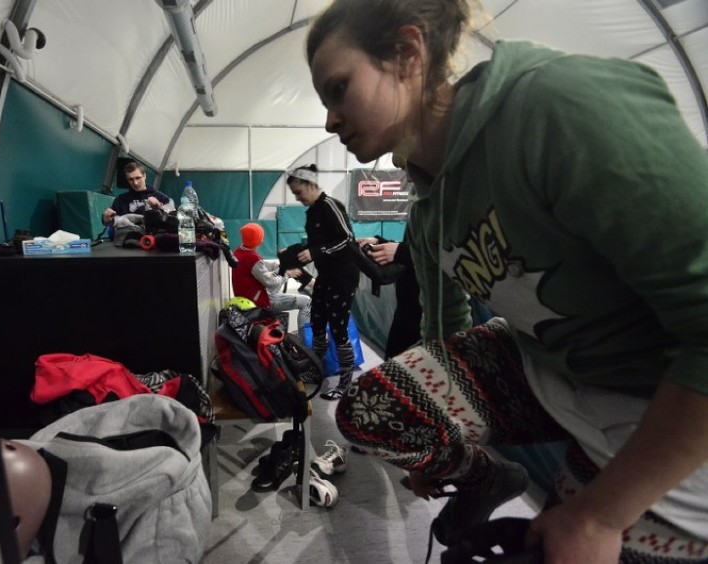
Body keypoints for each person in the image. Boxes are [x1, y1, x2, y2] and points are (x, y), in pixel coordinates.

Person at [306, 1, 708, 563]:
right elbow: (445, 328)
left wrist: (601, 513)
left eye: (339, 89)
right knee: (372, 411)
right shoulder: (430, 209)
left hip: (668, 402)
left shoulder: (561, 106)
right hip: (555, 369)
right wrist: (450, 453)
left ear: (406, 54)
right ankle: (490, 482)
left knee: (570, 541)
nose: (330, 120)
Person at [287, 164, 360, 401]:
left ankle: (346, 383)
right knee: (317, 324)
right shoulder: (313, 212)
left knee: (339, 331)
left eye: (299, 192)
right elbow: (320, 244)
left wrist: (315, 252)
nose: (298, 198)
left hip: (343, 277)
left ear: (310, 185)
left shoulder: (330, 205)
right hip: (326, 276)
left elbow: (348, 239)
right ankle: (316, 371)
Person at [232, 222, 312, 334]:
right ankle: (304, 342)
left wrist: (279, 265)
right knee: (306, 301)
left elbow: (260, 265)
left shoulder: (239, 251)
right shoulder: (252, 258)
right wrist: (287, 274)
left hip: (247, 298)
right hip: (260, 302)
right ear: (259, 239)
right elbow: (271, 283)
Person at [102, 161, 173, 225]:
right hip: (128, 236)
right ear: (127, 180)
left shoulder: (160, 196)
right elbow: (112, 222)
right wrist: (106, 219)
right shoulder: (120, 200)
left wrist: (159, 207)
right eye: (131, 179)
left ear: (144, 176)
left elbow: (173, 217)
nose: (135, 183)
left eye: (138, 178)